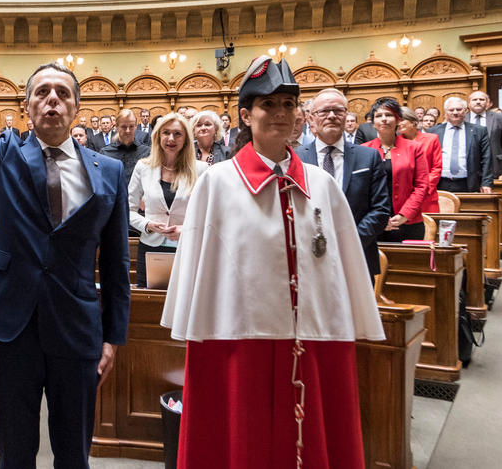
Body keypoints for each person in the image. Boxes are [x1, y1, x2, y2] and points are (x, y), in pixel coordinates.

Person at [0, 0, 130, 468]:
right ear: (26, 106)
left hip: (77, 329)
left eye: (63, 94)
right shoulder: (0, 155)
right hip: (8, 325)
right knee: (14, 453)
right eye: (42, 93)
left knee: (73, 455)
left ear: (78, 108)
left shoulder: (108, 172)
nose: (52, 101)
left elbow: (114, 266)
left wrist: (113, 336)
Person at [161, 55, 383, 469]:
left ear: (300, 115)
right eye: (268, 105)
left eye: (288, 105)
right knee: (241, 442)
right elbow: (197, 269)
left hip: (313, 340)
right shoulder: (217, 182)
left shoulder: (323, 185)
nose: (280, 114)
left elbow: (343, 269)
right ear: (246, 115)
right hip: (236, 343)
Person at [295, 89, 391, 279]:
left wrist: (349, 241)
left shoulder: (368, 157)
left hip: (357, 255)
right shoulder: (296, 158)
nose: (331, 116)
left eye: (338, 110)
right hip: (308, 257)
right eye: (324, 111)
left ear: (346, 115)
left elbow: (381, 209)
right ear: (311, 118)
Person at [128, 113, 206, 287]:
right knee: (150, 305)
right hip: (151, 247)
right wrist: (148, 225)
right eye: (166, 133)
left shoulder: (201, 169)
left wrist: (185, 229)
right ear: (158, 136)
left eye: (178, 134)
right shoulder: (143, 167)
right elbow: (128, 210)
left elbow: (210, 214)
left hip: (187, 248)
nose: (171, 138)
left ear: (186, 139)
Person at [362, 97, 430, 243]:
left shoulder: (414, 148)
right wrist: (378, 219)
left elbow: (422, 185)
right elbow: (360, 189)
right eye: (379, 116)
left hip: (408, 222)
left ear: (398, 120)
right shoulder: (363, 150)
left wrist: (404, 215)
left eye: (389, 115)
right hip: (373, 223)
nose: (384, 119)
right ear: (373, 123)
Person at [428, 96, 493, 193]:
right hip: (439, 183)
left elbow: (487, 158)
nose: (455, 112)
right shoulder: (433, 131)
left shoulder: (479, 131)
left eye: (458, 109)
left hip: (468, 183)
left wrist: (486, 183)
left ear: (465, 111)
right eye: (451, 110)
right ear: (446, 112)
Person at [397, 106, 442, 217]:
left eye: (402, 120)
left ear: (413, 122)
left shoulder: (431, 139)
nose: (398, 123)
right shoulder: (396, 142)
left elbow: (436, 168)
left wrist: (423, 189)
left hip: (427, 195)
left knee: (429, 230)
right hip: (405, 197)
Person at [468, 90, 502, 178]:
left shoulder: (499, 118)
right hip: (468, 166)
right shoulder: (462, 118)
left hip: (493, 165)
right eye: (474, 100)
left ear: (488, 103)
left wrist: (494, 150)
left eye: (481, 99)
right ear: (469, 104)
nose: (478, 102)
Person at [101, 109, 151, 184]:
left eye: (131, 126)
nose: (128, 131)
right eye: (124, 127)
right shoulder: (105, 153)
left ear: (135, 127)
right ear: (117, 127)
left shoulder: (147, 152)